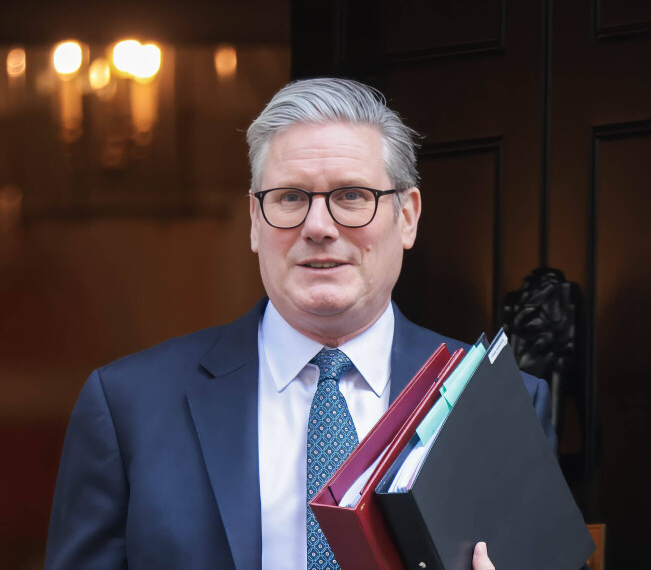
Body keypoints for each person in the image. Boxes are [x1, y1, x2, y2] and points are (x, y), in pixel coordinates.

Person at [45, 78, 555, 569]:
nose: (317, 227)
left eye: (352, 196)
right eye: (290, 197)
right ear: (253, 219)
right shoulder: (129, 405)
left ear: (407, 217)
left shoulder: (494, 399)